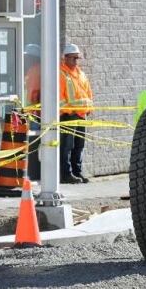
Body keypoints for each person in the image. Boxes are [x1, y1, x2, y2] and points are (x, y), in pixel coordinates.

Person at [59, 43, 94, 184]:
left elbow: (88, 93)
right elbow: (60, 97)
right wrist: (68, 110)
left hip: (81, 114)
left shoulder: (81, 74)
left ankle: (77, 172)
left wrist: (89, 108)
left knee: (79, 145)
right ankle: (66, 174)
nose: (75, 61)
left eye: (77, 58)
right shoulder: (61, 74)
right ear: (65, 58)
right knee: (67, 146)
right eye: (73, 58)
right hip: (69, 115)